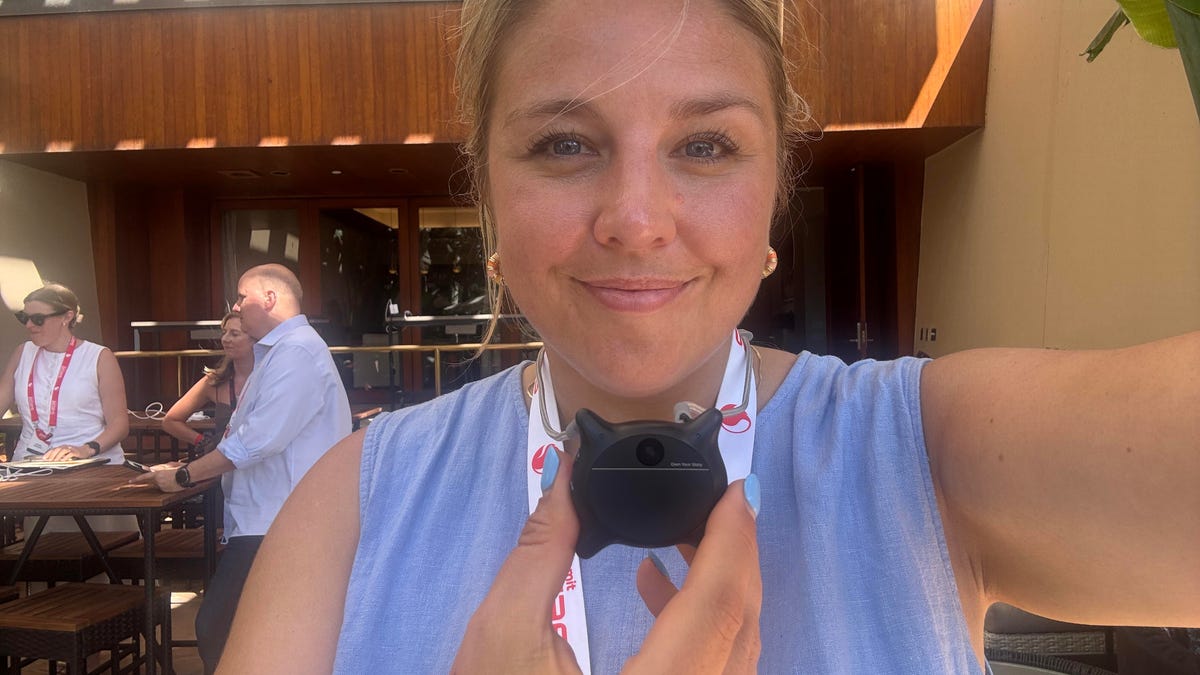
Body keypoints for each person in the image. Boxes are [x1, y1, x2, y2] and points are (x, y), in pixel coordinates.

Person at [219, 1, 1200, 673]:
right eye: (565, 144)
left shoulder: (925, 451)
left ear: (774, 187)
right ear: (485, 190)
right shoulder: (356, 506)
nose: (636, 219)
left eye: (705, 145)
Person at [133, 263, 351, 674]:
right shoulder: (283, 350)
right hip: (269, 518)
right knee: (247, 632)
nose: (235, 306)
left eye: (240, 296)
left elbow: (257, 440)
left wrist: (183, 475)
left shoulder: (297, 351)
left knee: (220, 627)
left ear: (269, 298)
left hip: (280, 519)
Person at [0, 283, 129, 465]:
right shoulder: (22, 352)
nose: (28, 325)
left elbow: (120, 425)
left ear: (67, 316)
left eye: (38, 319)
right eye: (24, 317)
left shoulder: (98, 356)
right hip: (30, 463)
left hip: (90, 462)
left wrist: (86, 449)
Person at [161, 311, 255, 455]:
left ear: (255, 339)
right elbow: (171, 421)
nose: (225, 339)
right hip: (221, 469)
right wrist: (203, 442)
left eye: (234, 334)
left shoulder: (271, 378)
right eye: (224, 333)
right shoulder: (214, 381)